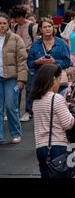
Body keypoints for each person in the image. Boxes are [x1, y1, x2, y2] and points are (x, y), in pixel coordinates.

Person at [32, 64, 75, 178]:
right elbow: (68, 124)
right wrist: (73, 114)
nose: (59, 83)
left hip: (40, 147)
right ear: (53, 79)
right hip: (57, 146)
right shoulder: (56, 98)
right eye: (59, 79)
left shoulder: (36, 100)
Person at [27, 18, 71, 100]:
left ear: (53, 27)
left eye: (49, 26)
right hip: (40, 82)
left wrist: (55, 61)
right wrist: (38, 62)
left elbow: (67, 62)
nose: (47, 29)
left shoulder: (61, 43)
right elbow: (29, 63)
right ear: (40, 29)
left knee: (56, 107)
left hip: (57, 82)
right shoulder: (36, 44)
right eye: (44, 27)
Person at [0, 12, 27, 144]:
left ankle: (16, 133)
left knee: (11, 107)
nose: (2, 25)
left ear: (9, 23)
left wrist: (21, 80)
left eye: (4, 23)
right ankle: (0, 136)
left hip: (11, 78)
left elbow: (22, 61)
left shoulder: (16, 39)